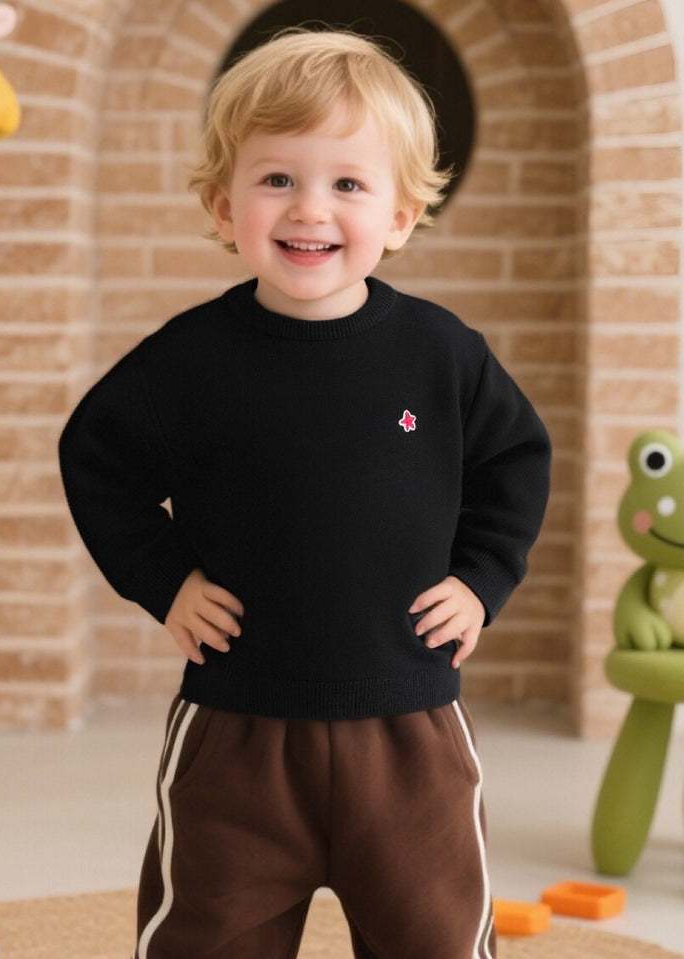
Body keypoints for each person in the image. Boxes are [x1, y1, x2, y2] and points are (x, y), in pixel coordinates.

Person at [59, 29, 551, 959]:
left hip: (410, 725)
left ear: (401, 215)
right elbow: (97, 461)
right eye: (277, 178)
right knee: (205, 940)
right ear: (224, 204)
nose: (309, 208)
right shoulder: (188, 362)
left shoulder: (443, 355)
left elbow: (516, 463)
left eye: (348, 184)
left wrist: (481, 580)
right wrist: (167, 581)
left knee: (438, 940)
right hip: (238, 728)